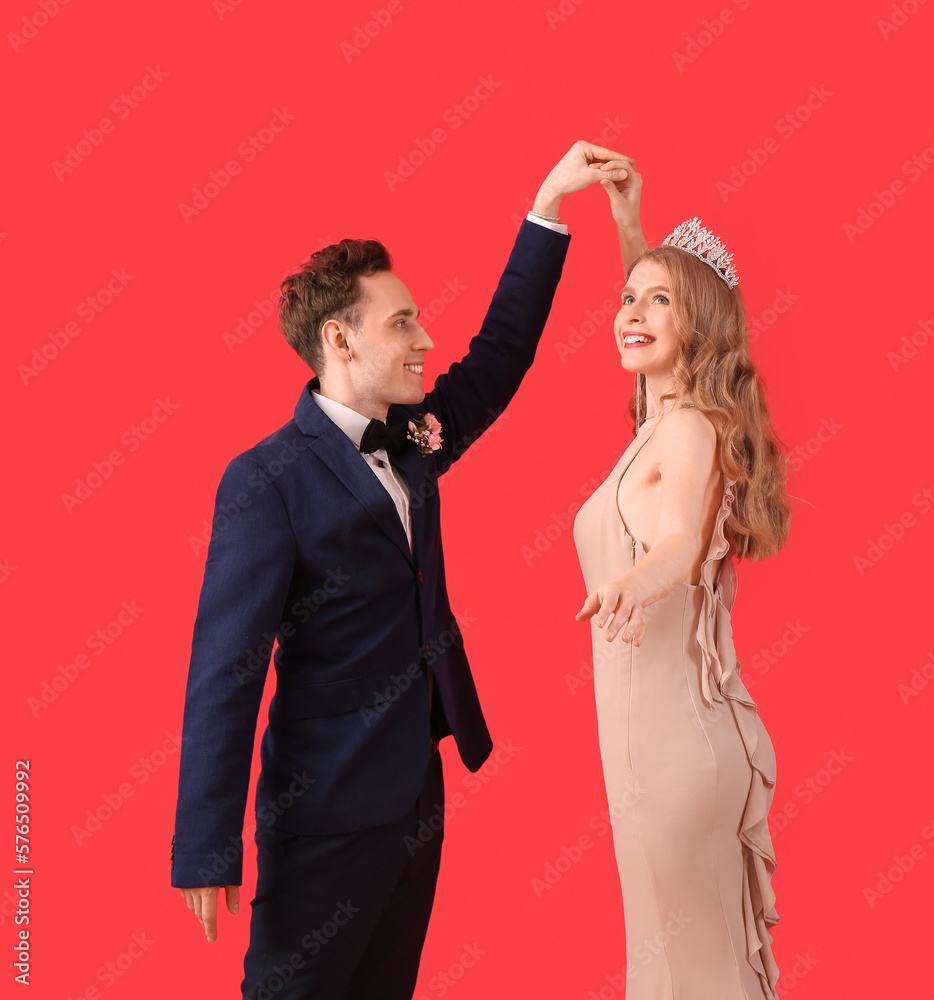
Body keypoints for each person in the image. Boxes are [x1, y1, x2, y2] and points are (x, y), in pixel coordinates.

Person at [170, 140, 634, 1000]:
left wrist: (546, 211)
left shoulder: (414, 438)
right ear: (338, 339)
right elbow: (224, 671)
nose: (426, 338)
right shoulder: (265, 478)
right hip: (325, 814)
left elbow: (497, 363)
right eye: (403, 323)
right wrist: (206, 842)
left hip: (416, 803)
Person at [573, 161, 792, 999]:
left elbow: (676, 540)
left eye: (658, 299)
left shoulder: (689, 430)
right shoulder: (657, 420)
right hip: (648, 746)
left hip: (674, 751)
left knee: (688, 979)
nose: (631, 311)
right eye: (627, 296)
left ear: (696, 322)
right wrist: (631, 222)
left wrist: (639, 581)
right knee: (669, 970)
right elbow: (652, 329)